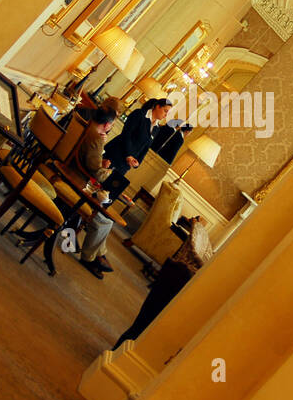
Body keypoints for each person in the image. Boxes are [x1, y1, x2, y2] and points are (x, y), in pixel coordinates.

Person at [113, 215, 212, 347]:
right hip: (179, 278)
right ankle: (117, 352)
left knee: (142, 324)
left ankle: (118, 350)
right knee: (143, 326)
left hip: (176, 274)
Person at [71, 107, 119, 279]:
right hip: (76, 182)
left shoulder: (83, 125)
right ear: (107, 124)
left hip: (67, 169)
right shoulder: (96, 139)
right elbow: (95, 172)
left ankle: (99, 254)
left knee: (104, 217)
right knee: (105, 220)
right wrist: (107, 171)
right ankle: (89, 257)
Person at [102, 97, 172, 201]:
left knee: (106, 192)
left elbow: (145, 148)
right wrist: (129, 155)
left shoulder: (156, 128)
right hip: (115, 153)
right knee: (97, 182)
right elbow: (126, 134)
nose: (166, 115)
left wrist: (138, 161)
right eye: (165, 111)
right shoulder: (139, 114)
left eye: (168, 113)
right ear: (157, 106)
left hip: (125, 164)